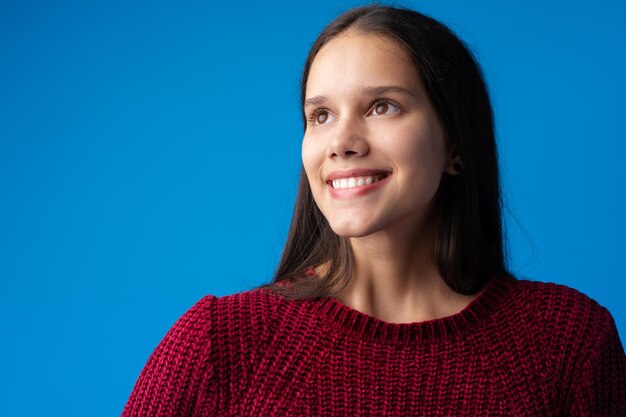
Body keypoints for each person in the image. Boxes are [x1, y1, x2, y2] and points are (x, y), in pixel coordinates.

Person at [121, 5, 626, 416]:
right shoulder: (219, 342)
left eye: (382, 105)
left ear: (456, 142)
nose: (340, 142)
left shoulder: (569, 343)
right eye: (320, 115)